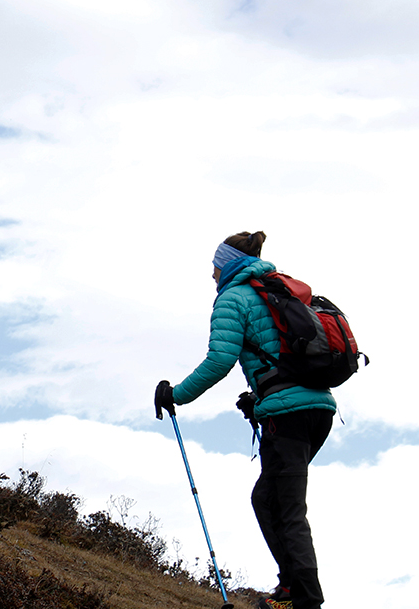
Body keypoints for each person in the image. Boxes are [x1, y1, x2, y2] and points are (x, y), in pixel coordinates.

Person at [155, 231, 336, 609]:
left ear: (226, 265)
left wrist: (177, 395)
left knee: (285, 507)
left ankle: (302, 600)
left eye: (214, 267)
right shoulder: (273, 291)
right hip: (317, 409)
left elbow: (220, 360)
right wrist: (258, 398)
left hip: (287, 415)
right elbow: (280, 356)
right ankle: (292, 590)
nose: (211, 275)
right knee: (270, 499)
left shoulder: (233, 298)